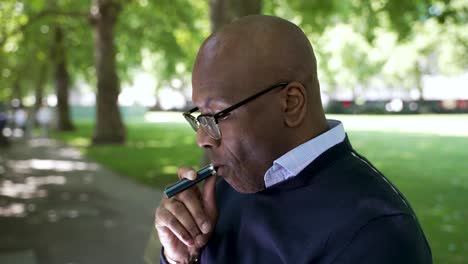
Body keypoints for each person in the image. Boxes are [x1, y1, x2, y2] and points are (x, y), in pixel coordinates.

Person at [154, 15, 432, 264]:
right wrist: (181, 258)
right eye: (200, 116)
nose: (202, 138)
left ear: (291, 103)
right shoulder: (222, 193)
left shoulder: (374, 233)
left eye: (217, 114)